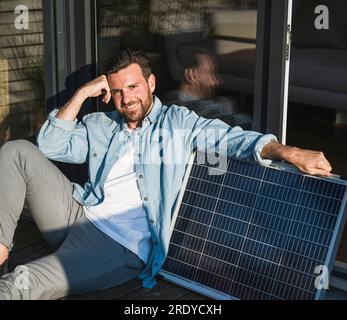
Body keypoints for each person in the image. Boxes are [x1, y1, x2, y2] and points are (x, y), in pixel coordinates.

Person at [0, 50, 332, 299]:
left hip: (117, 245)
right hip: (77, 213)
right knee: (16, 151)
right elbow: (51, 144)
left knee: (21, 282)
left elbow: (233, 140)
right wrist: (84, 92)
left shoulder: (178, 123)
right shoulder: (102, 124)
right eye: (117, 91)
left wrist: (288, 151)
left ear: (151, 83)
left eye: (133, 86)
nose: (127, 98)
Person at [163, 46, 248, 128]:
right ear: (191, 75)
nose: (215, 81)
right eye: (208, 73)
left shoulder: (168, 108)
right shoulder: (197, 111)